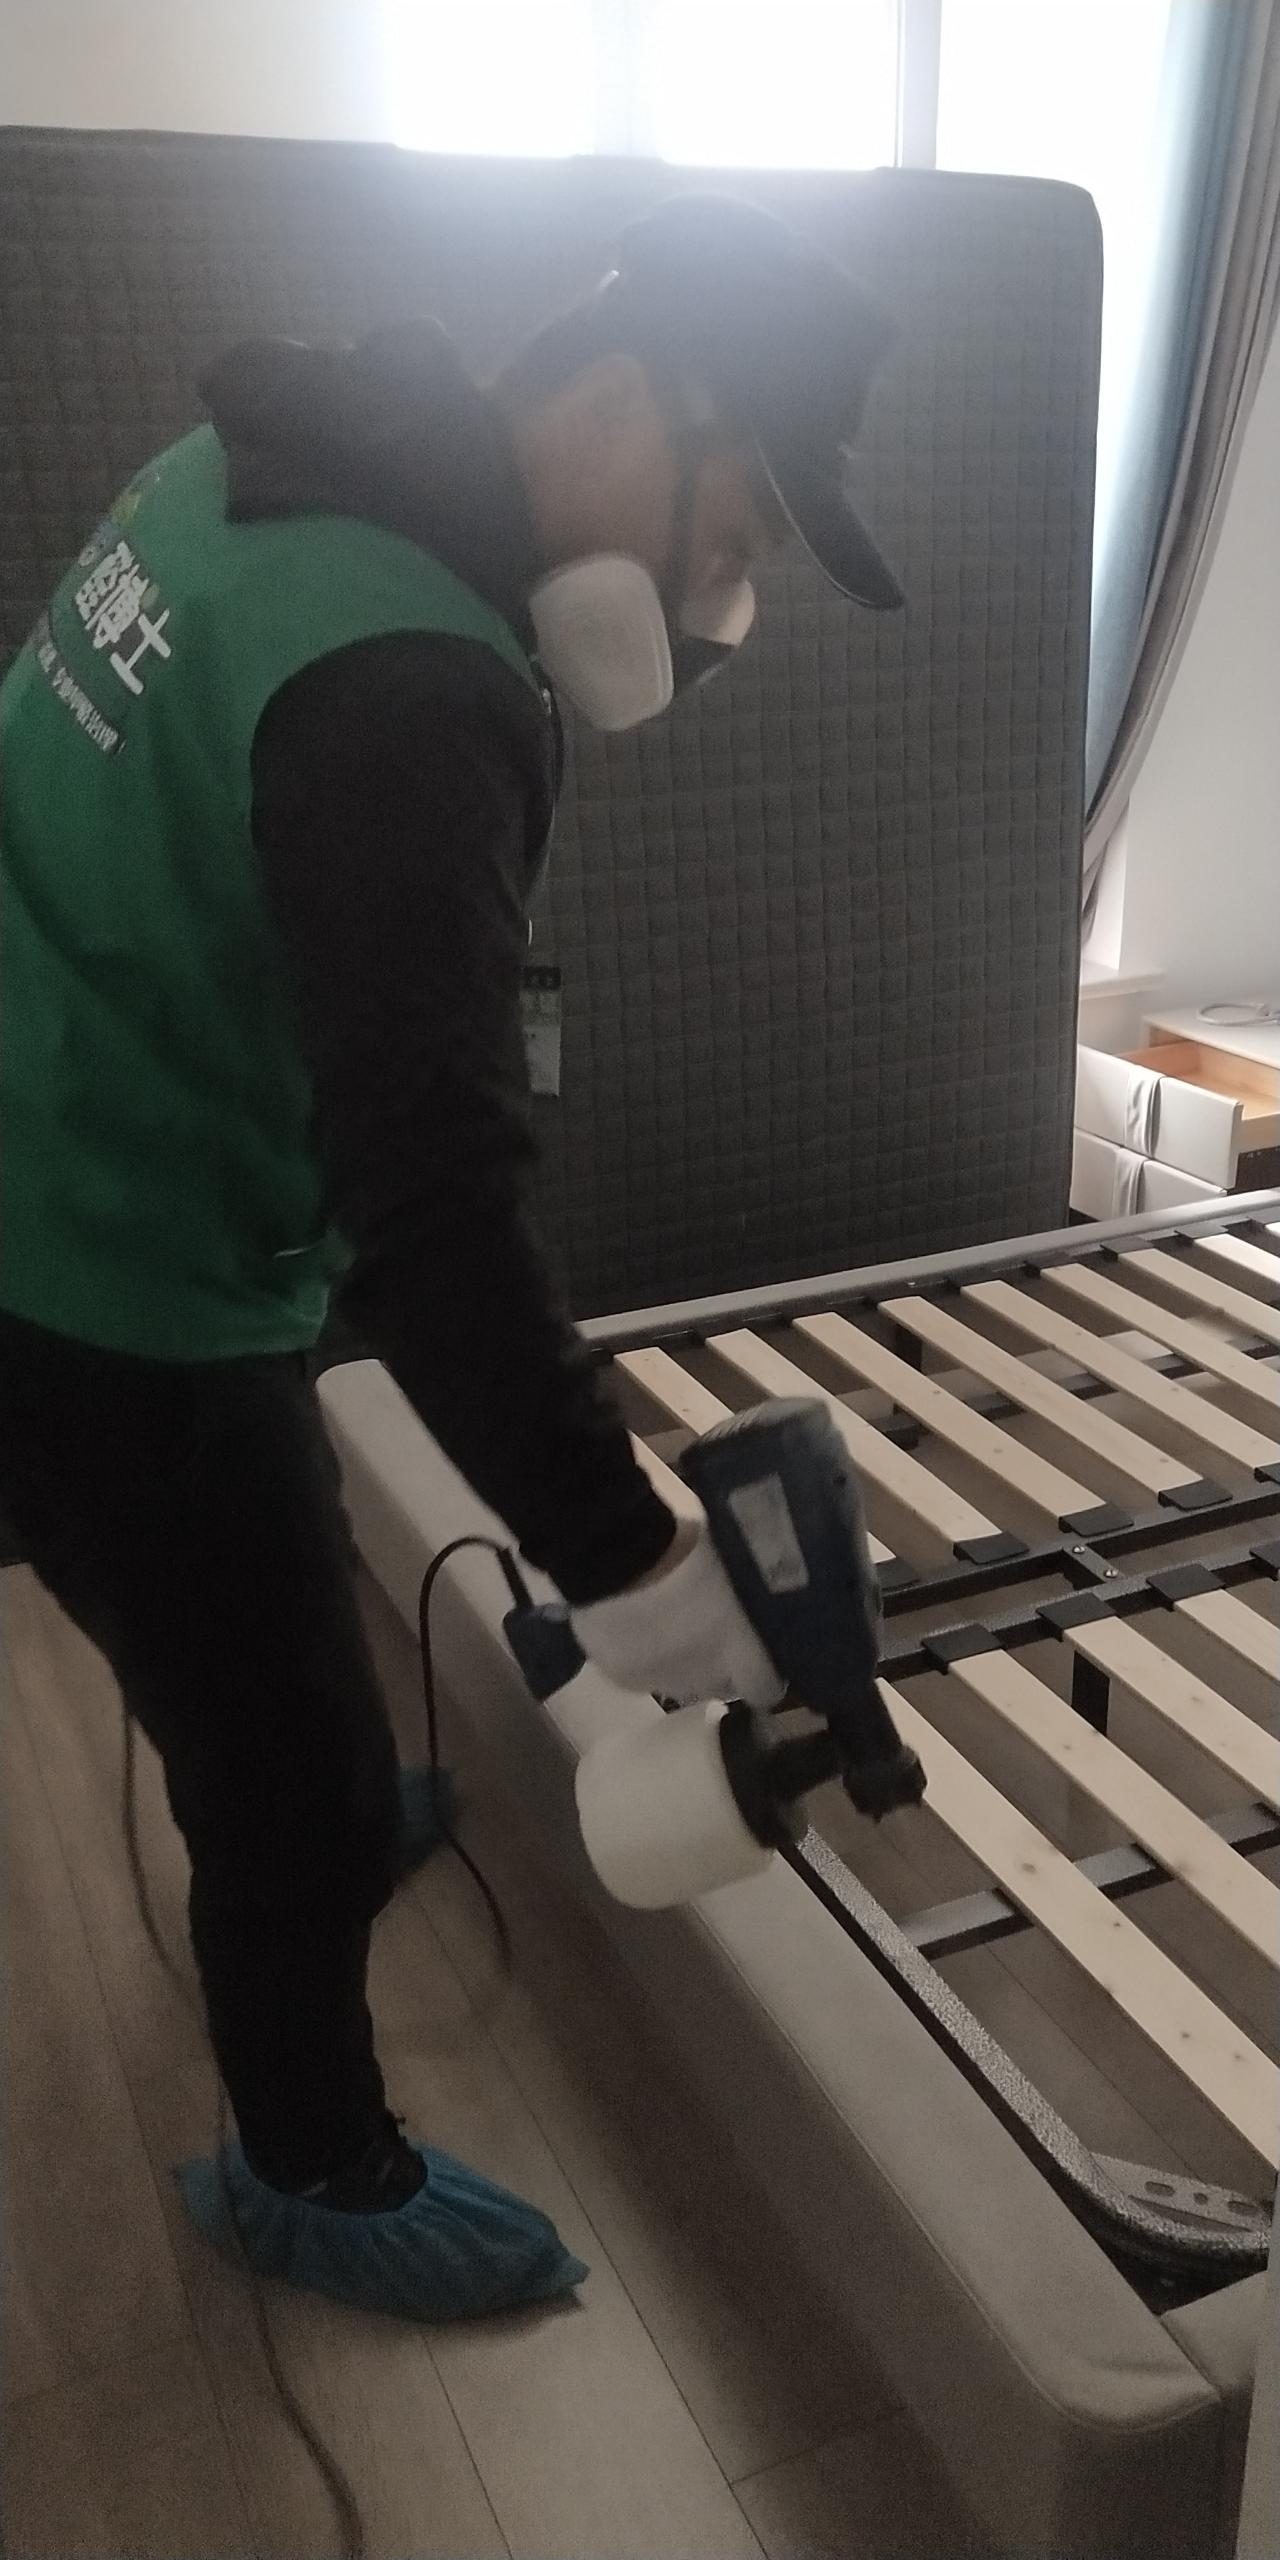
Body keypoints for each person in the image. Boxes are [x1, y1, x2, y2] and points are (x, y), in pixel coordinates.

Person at [0, 193, 901, 2321]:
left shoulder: (263, 455)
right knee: (291, 1778)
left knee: (265, 1572)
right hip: (87, 1265)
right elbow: (432, 1220)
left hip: (82, 1126)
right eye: (730, 540)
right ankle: (308, 2157)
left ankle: (293, 1763)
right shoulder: (411, 686)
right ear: (621, 401)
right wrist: (641, 1567)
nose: (715, 616)